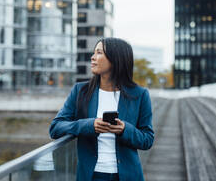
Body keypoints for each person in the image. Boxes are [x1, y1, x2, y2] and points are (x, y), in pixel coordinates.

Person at [49, 37, 154, 181]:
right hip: (91, 175)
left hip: (127, 176)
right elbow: (55, 128)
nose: (92, 57)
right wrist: (89, 125)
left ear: (116, 59)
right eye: (94, 52)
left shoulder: (140, 94)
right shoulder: (80, 91)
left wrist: (125, 130)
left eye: (99, 53)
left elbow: (147, 139)